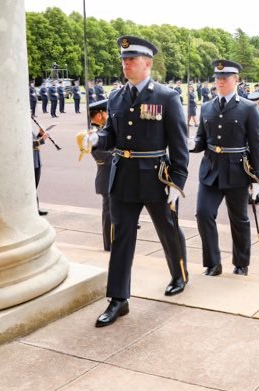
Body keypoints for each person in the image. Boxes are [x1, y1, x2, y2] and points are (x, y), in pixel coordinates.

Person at [84, 35, 189, 328]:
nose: (125, 64)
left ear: (147, 63)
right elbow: (112, 135)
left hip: (156, 177)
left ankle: (179, 274)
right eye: (123, 60)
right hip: (124, 177)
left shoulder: (166, 97)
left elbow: (179, 145)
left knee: (168, 230)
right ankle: (118, 299)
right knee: (122, 238)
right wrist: (96, 137)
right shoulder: (116, 97)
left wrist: (176, 184)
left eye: (131, 60)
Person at [188, 59, 259, 277]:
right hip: (210, 170)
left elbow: (257, 144)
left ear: (236, 80)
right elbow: (202, 139)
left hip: (236, 171)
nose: (220, 82)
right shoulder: (207, 106)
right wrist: (192, 144)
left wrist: (258, 179)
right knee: (203, 214)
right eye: (217, 78)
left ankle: (241, 263)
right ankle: (213, 262)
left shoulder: (248, 108)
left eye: (224, 78)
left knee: (239, 219)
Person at [89, 99, 112, 251]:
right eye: (106, 112)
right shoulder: (94, 135)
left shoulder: (105, 132)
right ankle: (109, 244)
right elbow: (107, 157)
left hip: (114, 177)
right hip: (107, 178)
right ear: (98, 116)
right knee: (109, 214)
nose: (109, 115)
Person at [32, 126, 48, 216]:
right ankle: (34, 209)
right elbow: (28, 144)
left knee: (35, 185)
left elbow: (33, 140)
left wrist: (39, 134)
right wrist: (42, 139)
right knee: (32, 185)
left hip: (36, 159)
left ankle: (35, 208)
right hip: (31, 159)